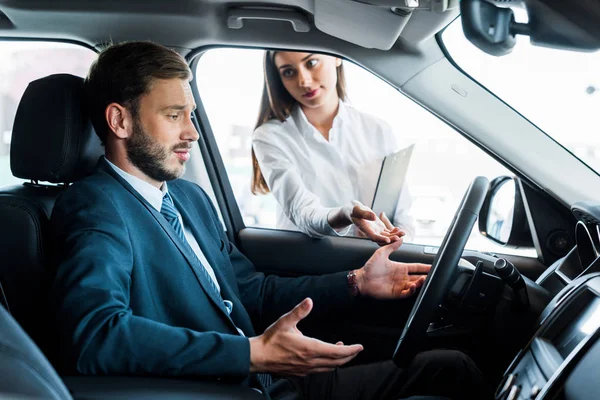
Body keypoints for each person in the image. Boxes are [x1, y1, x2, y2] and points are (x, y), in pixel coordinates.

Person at [51, 41, 491, 400]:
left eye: (191, 115)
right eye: (173, 116)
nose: (192, 132)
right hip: (214, 389)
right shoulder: (97, 206)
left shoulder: (187, 197)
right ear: (119, 120)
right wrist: (250, 354)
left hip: (267, 383)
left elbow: (250, 291)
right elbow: (96, 335)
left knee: (447, 367)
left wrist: (356, 282)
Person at [252, 51, 416, 245]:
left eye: (311, 63)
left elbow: (402, 213)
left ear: (337, 57)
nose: (304, 81)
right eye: (289, 72)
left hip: (371, 259)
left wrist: (396, 238)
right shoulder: (270, 136)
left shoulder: (377, 130)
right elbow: (302, 211)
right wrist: (345, 214)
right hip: (308, 263)